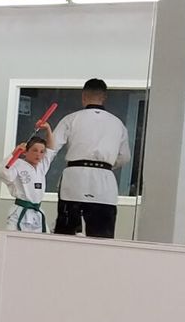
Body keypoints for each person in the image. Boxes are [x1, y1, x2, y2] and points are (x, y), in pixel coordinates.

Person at [48, 79, 130, 239]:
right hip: (104, 183)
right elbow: (125, 157)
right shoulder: (117, 124)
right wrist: (106, 166)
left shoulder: (71, 119)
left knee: (66, 236)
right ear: (104, 97)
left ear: (83, 96)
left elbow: (52, 148)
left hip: (74, 180)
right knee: (101, 238)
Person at [0, 124, 56, 233]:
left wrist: (48, 128)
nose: (38, 154)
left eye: (41, 152)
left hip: (37, 214)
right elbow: (3, 173)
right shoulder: (17, 164)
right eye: (34, 150)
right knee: (13, 239)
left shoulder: (42, 166)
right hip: (19, 212)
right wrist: (14, 154)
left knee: (43, 241)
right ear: (25, 152)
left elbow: (51, 149)